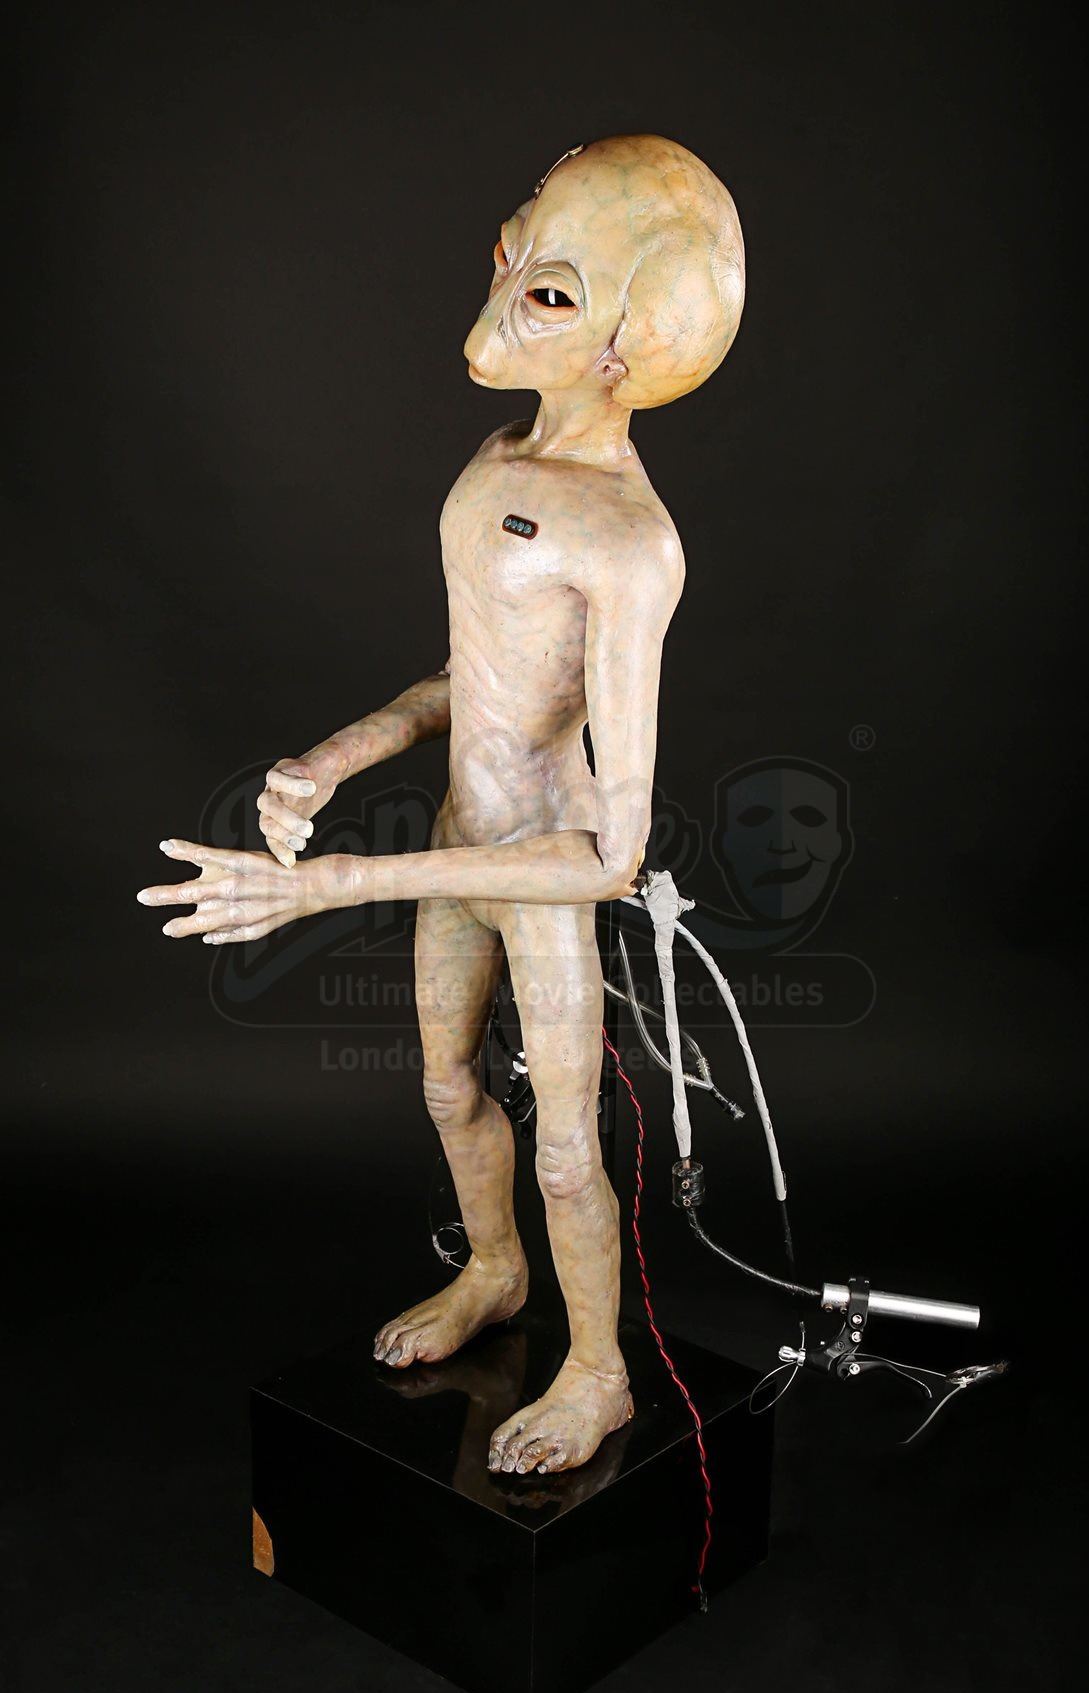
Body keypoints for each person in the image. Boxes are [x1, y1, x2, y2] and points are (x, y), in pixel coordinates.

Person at [137, 135, 745, 1474]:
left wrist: (328, 885)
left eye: (551, 294)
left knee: (570, 1151)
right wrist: (336, 758)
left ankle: (600, 1374)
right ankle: (494, 1269)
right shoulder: (497, 459)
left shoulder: (628, 541)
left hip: (540, 873)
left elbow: (612, 853)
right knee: (447, 1085)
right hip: (460, 843)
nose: (501, 305)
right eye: (512, 257)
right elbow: (475, 679)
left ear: (630, 343)